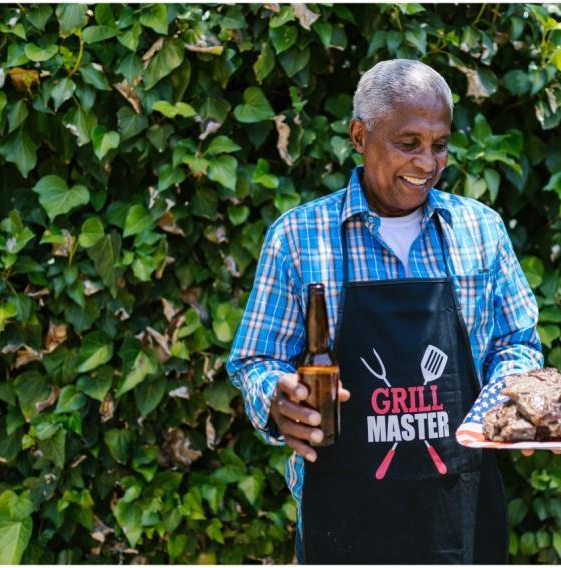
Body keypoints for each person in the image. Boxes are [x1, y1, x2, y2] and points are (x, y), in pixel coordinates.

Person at [227, 58, 543, 564]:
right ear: (359, 135)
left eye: (439, 146)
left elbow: (517, 344)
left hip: (461, 514)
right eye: (408, 143)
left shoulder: (480, 230)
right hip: (345, 520)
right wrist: (275, 399)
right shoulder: (298, 237)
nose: (427, 163)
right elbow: (255, 361)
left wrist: (515, 403)